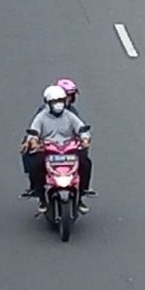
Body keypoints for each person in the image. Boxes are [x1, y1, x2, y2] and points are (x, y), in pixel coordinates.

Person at [25, 85, 92, 213]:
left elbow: (82, 129)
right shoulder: (41, 117)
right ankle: (41, 198)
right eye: (55, 102)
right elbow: (33, 132)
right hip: (48, 150)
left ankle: (82, 195)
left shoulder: (70, 116)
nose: (58, 104)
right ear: (48, 103)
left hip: (69, 149)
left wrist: (85, 139)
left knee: (86, 163)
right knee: (36, 166)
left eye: (61, 101)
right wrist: (33, 142)